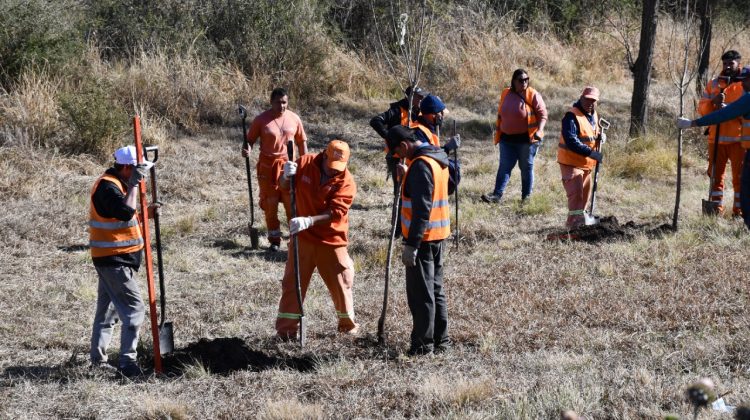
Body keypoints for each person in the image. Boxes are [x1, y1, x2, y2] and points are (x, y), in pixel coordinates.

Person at [275, 140, 359, 338]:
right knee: (292, 284)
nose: (333, 172)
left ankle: (348, 328)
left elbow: (336, 212)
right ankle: (286, 331)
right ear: (324, 155)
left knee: (341, 284)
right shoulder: (304, 163)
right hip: (302, 239)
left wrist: (309, 221)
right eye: (331, 167)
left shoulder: (346, 181)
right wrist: (286, 176)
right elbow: (283, 187)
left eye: (338, 168)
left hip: (331, 240)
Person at [89, 145, 156, 378]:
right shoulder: (107, 187)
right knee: (134, 310)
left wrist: (146, 212)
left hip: (116, 259)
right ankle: (127, 364)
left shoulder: (119, 184)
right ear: (127, 168)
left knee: (107, 311)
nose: (142, 175)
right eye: (138, 171)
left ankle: (98, 361)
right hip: (114, 259)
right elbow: (125, 212)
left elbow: (127, 215)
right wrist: (136, 184)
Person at [385, 125, 451, 356]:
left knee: (421, 295)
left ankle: (423, 347)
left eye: (397, 152)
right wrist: (406, 177)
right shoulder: (437, 157)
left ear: (403, 146)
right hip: (438, 235)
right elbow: (449, 186)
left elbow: (422, 209)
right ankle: (442, 342)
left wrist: (411, 244)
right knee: (435, 291)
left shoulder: (421, 165)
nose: (397, 157)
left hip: (423, 239)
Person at [677, 66, 750, 228]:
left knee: (744, 185)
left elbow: (724, 114)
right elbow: (712, 110)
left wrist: (692, 123)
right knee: (725, 179)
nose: (742, 84)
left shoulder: (747, 97)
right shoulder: (716, 85)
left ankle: (744, 219)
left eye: (745, 81)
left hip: (741, 145)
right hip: (728, 144)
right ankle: (722, 212)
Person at [243, 87, 308, 252]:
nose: (281, 106)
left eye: (284, 102)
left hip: (288, 167)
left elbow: (301, 141)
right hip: (267, 168)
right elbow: (249, 140)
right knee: (270, 204)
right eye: (278, 102)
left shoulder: (294, 118)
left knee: (290, 203)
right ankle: (274, 240)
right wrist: (247, 149)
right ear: (271, 102)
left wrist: (305, 162)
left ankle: (295, 240)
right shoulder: (261, 120)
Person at [482, 68, 548, 203]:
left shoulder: (533, 94)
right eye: (521, 80)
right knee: (504, 167)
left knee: (526, 168)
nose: (524, 82)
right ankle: (496, 195)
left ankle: (526, 199)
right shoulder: (506, 93)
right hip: (507, 140)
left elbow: (543, 115)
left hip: (527, 141)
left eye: (526, 80)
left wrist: (540, 130)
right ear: (513, 81)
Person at [696, 50, 744, 216]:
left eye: (731, 63)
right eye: (725, 63)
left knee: (740, 179)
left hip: (739, 140)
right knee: (715, 177)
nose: (727, 66)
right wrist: (712, 103)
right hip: (715, 139)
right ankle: (715, 211)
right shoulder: (714, 84)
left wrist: (730, 111)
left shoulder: (746, 84)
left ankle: (739, 212)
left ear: (739, 63)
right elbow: (702, 109)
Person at [557, 86, 602, 228]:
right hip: (571, 163)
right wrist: (590, 152)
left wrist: (601, 137)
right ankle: (572, 226)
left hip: (586, 164)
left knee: (584, 197)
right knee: (576, 196)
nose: (590, 103)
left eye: (593, 100)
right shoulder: (571, 116)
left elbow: (591, 134)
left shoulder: (594, 115)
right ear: (581, 97)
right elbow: (571, 140)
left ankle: (580, 223)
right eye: (587, 99)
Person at [370, 86, 428, 189]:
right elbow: (375, 121)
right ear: (409, 97)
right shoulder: (397, 111)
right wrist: (390, 138)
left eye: (422, 97)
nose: (422, 99)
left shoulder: (420, 111)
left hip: (414, 154)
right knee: (400, 188)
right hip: (397, 157)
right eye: (419, 97)